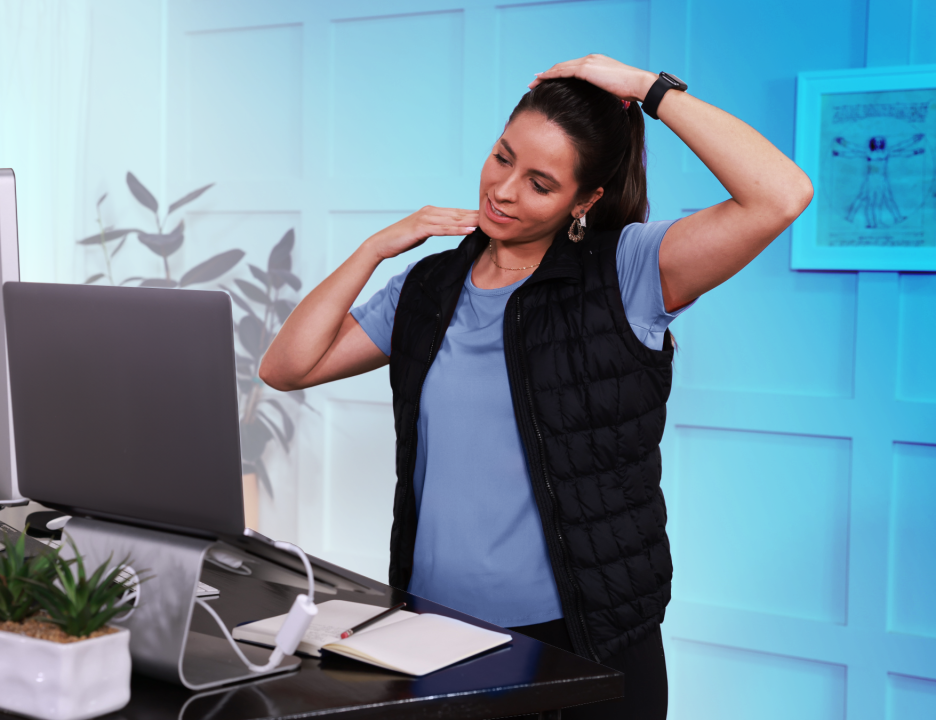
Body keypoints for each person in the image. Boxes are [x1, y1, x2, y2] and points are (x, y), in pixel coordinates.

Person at [259, 54, 813, 719]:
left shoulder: (629, 273)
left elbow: (781, 195)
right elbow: (286, 367)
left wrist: (647, 88)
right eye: (502, 158)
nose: (504, 190)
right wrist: (377, 247)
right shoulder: (429, 288)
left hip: (582, 644)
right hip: (434, 636)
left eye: (540, 183)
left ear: (586, 200)